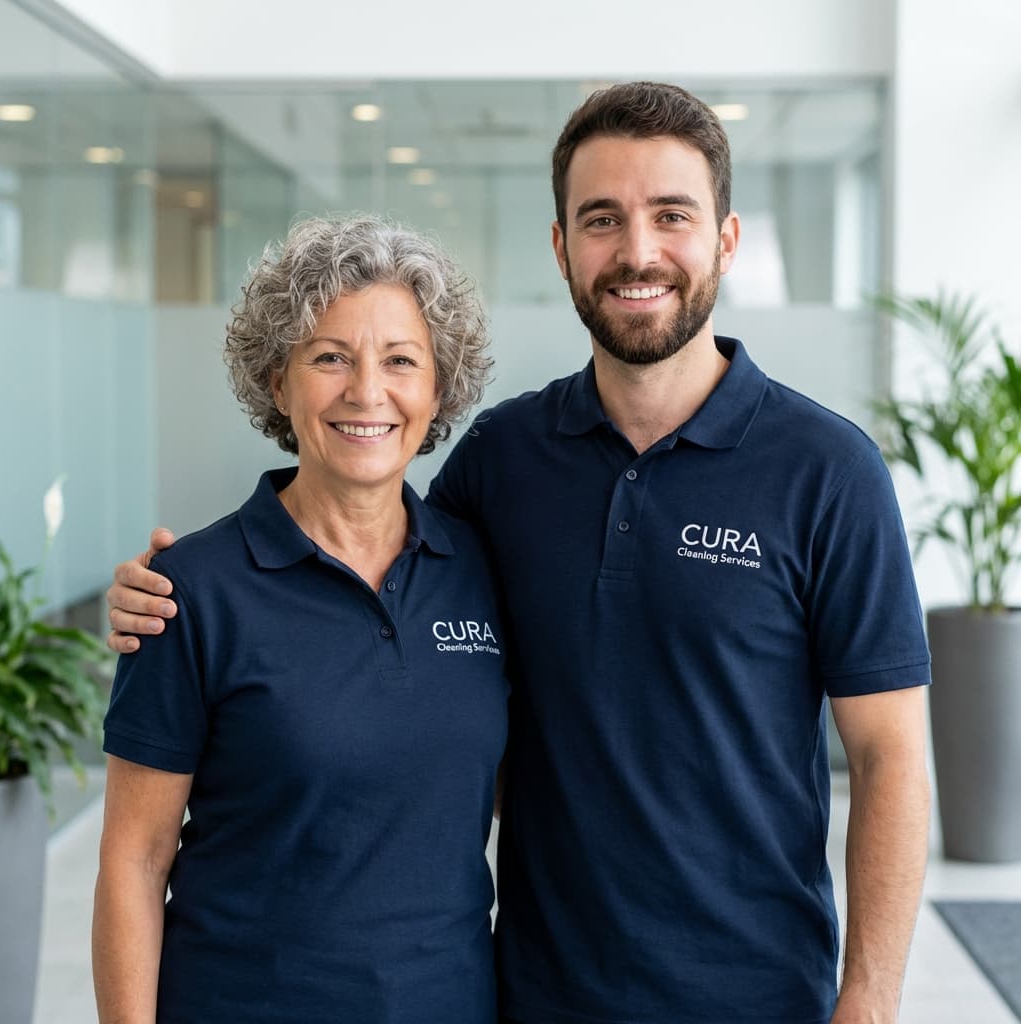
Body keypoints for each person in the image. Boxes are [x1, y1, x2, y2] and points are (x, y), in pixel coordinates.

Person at [106, 82, 931, 1024]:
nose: (637, 252)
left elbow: (890, 757)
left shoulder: (829, 472)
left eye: (672, 216)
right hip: (535, 992)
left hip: (755, 993)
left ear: (727, 240)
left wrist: (868, 999)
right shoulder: (502, 463)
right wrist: (172, 593)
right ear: (560, 246)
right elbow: (361, 563)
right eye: (601, 219)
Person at [92, 215, 510, 1024]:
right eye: (329, 357)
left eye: (400, 361)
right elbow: (134, 861)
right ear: (277, 384)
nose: (366, 392)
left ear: (439, 388)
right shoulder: (189, 593)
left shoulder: (482, 575)